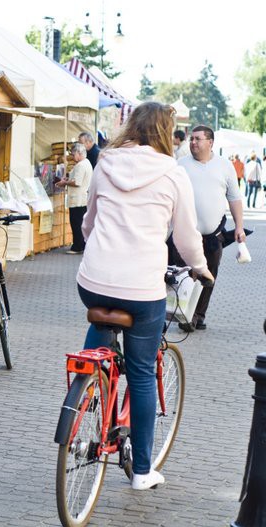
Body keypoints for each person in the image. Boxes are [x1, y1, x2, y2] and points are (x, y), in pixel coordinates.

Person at [77, 102, 212, 490]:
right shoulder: (173, 173)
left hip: (93, 281)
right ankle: (141, 471)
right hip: (140, 290)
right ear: (167, 132)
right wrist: (200, 267)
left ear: (131, 125)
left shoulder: (105, 162)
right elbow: (185, 237)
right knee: (140, 373)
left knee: (100, 323)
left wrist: (99, 249)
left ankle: (87, 388)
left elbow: (89, 221)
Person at [174, 125, 245, 332]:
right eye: (191, 139)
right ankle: (185, 315)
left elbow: (234, 198)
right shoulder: (181, 165)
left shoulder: (224, 165)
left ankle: (198, 315)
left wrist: (239, 227)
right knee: (186, 275)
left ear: (210, 142)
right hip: (186, 234)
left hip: (214, 235)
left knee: (209, 275)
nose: (193, 142)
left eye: (198, 139)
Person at [56, 143, 92, 254]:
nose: (72, 156)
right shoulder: (87, 163)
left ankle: (77, 246)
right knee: (79, 223)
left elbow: (77, 182)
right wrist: (68, 179)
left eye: (73, 154)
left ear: (79, 153)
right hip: (82, 198)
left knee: (76, 223)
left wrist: (64, 183)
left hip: (78, 199)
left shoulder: (81, 165)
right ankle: (81, 244)